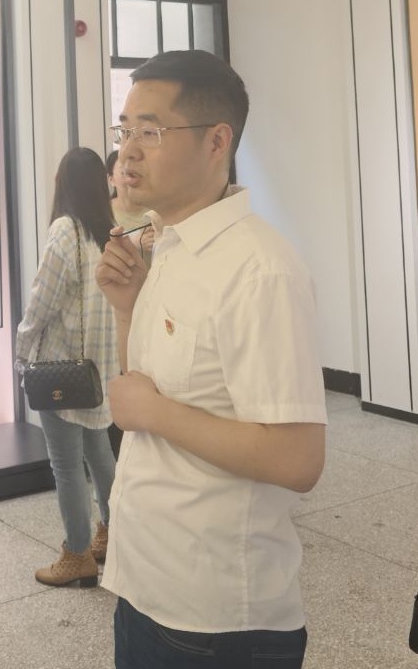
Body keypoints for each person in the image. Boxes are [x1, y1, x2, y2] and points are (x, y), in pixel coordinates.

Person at [96, 50, 326, 668]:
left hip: (216, 620)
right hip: (146, 582)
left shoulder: (260, 270)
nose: (128, 152)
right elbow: (147, 388)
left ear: (217, 141)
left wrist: (155, 412)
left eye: (150, 132)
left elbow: (297, 458)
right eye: (124, 130)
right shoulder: (168, 245)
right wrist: (127, 309)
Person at [14, 147, 117, 588]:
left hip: (62, 368)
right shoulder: (108, 232)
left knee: (67, 465)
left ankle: (77, 554)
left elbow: (42, 303)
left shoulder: (65, 231)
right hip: (100, 368)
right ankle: (114, 533)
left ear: (63, 184)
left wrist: (21, 349)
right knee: (99, 451)